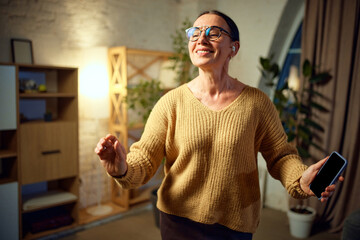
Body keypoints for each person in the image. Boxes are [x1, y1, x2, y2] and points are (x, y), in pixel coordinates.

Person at [95, 10, 343, 240]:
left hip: (234, 225)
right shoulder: (171, 102)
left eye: (213, 33)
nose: (201, 39)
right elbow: (146, 158)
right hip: (178, 221)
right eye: (195, 32)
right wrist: (121, 169)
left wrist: (300, 179)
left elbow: (280, 156)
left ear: (233, 48)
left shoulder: (257, 103)